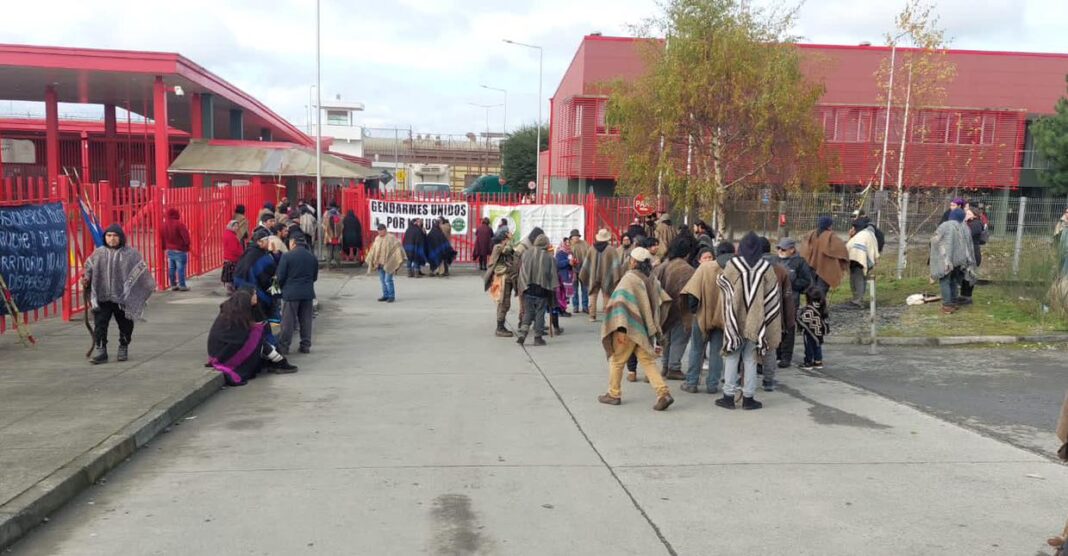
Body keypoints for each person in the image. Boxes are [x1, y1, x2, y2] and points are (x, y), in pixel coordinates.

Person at [597, 247, 675, 411]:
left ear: (633, 262)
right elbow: (662, 299)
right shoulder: (652, 278)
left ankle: (613, 394)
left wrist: (619, 325)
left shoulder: (629, 279)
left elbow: (619, 303)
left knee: (617, 360)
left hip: (627, 327)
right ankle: (663, 393)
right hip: (644, 328)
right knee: (647, 361)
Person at [715, 232, 782, 410]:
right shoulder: (766, 268)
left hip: (735, 319)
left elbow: (724, 286)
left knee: (732, 356)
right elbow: (772, 296)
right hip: (757, 321)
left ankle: (728, 396)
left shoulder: (733, 265)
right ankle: (748, 398)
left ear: (741, 247)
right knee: (751, 359)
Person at [81, 224, 155, 364]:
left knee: (126, 325)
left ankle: (123, 346)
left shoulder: (131, 254)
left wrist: (146, 287)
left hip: (123, 299)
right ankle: (101, 351)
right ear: (105, 237)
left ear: (121, 237)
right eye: (108, 236)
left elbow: (141, 273)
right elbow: (88, 268)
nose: (112, 239)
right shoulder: (98, 253)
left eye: (115, 236)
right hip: (102, 296)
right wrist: (86, 278)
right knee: (100, 324)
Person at [207, 289, 296, 386]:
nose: (256, 296)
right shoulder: (236, 318)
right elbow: (248, 336)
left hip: (219, 352)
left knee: (258, 334)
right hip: (223, 354)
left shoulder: (231, 312)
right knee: (256, 335)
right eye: (254, 294)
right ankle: (279, 361)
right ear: (247, 299)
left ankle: (277, 360)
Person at [681, 247, 724, 394]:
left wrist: (694, 311)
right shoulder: (726, 269)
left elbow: (692, 292)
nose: (708, 260)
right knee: (716, 352)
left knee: (696, 349)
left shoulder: (702, 269)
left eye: (710, 257)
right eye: (705, 257)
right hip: (720, 317)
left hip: (701, 316)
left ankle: (692, 382)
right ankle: (712, 385)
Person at [653, 236, 697, 381]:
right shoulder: (688, 269)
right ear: (688, 252)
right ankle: (674, 367)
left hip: (664, 309)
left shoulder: (663, 265)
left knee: (666, 338)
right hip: (681, 309)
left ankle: (665, 366)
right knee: (680, 339)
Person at [758, 237, 794, 391]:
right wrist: (788, 321)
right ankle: (768, 381)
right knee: (771, 348)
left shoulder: (751, 267)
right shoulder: (780, 269)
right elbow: (788, 297)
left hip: (754, 314)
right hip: (774, 315)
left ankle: (746, 378)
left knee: (749, 349)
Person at [276, 234, 318, 355]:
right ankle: (305, 345)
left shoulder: (287, 256)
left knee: (288, 321)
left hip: (291, 293)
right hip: (307, 293)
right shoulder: (312, 257)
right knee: (306, 320)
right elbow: (314, 277)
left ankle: (284, 346)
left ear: (293, 243)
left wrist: (278, 289)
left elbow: (280, 276)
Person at [929, 208, 977, 314]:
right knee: (954, 280)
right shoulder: (964, 227)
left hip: (947, 260)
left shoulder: (945, 226)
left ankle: (947, 305)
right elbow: (969, 244)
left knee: (945, 280)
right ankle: (954, 301)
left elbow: (936, 240)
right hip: (960, 260)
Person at [775, 237, 813, 369]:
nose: (780, 251)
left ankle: (786, 356)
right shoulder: (775, 260)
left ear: (792, 249)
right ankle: (777, 353)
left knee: (789, 328)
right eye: (779, 248)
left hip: (791, 300)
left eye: (783, 249)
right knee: (775, 326)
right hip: (775, 299)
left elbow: (806, 281)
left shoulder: (800, 262)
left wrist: (790, 284)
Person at [234, 228, 280, 335]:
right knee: (267, 322)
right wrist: (275, 294)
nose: (270, 242)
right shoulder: (263, 258)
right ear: (259, 242)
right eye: (267, 240)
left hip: (243, 294)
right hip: (260, 296)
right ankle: (271, 340)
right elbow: (271, 278)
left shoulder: (247, 253)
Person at [515, 234, 558, 346]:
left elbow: (522, 271)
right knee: (540, 312)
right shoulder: (549, 257)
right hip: (542, 289)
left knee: (528, 312)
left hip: (528, 287)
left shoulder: (526, 253)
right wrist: (552, 291)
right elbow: (553, 276)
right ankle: (538, 338)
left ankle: (523, 333)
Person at [580, 229, 622, 322]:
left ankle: (592, 316)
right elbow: (615, 265)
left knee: (593, 295)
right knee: (607, 294)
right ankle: (607, 316)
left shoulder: (592, 248)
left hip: (593, 276)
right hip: (607, 276)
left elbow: (587, 263)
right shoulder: (611, 249)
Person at [801, 215, 848, 296]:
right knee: (821, 289)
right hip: (826, 267)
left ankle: (812, 303)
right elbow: (842, 250)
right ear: (829, 226)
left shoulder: (811, 234)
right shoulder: (831, 236)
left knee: (812, 288)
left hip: (811, 266)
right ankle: (819, 303)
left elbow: (804, 248)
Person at [485, 229, 519, 336]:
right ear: (504, 238)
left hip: (507, 278)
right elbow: (507, 250)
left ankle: (501, 326)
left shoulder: (503, 246)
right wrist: (510, 240)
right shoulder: (498, 247)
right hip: (502, 279)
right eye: (508, 236)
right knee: (503, 303)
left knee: (505, 303)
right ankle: (500, 328)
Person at [365, 223, 406, 303]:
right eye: (378, 230)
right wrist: (371, 259)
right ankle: (385, 295)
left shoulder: (391, 238)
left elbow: (398, 247)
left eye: (381, 230)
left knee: (388, 280)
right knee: (382, 280)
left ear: (385, 230)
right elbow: (374, 249)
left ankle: (391, 296)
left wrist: (398, 257)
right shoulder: (377, 238)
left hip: (389, 263)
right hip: (379, 263)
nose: (380, 232)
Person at [845, 217, 880, 307]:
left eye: (854, 227)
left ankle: (858, 300)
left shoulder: (863, 234)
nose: (852, 229)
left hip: (857, 259)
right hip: (861, 259)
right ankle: (857, 299)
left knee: (857, 279)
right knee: (858, 279)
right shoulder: (869, 234)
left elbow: (851, 245)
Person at [797, 286, 830, 371]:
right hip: (819, 331)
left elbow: (802, 319)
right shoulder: (822, 306)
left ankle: (808, 362)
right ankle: (818, 361)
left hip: (809, 331)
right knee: (817, 345)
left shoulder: (809, 309)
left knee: (809, 347)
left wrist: (799, 312)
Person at [159, 207, 191, 292]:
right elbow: (185, 236)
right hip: (180, 249)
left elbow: (162, 238)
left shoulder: (164, 225)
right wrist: (187, 244)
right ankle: (182, 285)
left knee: (172, 268)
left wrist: (164, 247)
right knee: (181, 268)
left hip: (169, 250)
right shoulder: (179, 224)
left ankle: (173, 285)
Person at [958, 207, 985, 305]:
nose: (966, 215)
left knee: (970, 274)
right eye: (966, 213)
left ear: (974, 215)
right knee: (964, 274)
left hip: (973, 252)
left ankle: (968, 297)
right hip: (967, 252)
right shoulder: (968, 223)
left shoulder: (976, 224)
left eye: (969, 214)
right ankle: (963, 295)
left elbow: (967, 234)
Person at [553, 237, 575, 330]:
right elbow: (558, 264)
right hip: (562, 276)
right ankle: (562, 310)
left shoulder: (570, 252)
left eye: (569, 243)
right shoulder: (560, 253)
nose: (568, 244)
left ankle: (564, 310)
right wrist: (568, 262)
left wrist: (574, 262)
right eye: (566, 243)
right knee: (562, 295)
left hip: (568, 275)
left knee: (566, 296)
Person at [568, 229, 590, 314]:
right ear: (571, 237)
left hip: (583, 269)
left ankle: (585, 306)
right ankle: (575, 306)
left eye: (577, 236)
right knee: (574, 289)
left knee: (585, 289)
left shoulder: (584, 244)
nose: (576, 238)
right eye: (574, 236)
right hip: (573, 270)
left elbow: (589, 254)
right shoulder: (568, 245)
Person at [222, 216, 244, 292]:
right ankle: (231, 288)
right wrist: (241, 253)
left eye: (237, 226)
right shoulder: (231, 236)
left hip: (229, 258)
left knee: (229, 275)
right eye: (234, 226)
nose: (236, 228)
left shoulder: (228, 233)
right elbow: (234, 249)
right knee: (232, 275)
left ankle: (230, 287)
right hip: (233, 258)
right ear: (230, 226)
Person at [322, 203, 344, 270]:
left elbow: (324, 228)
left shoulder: (327, 220)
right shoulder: (339, 220)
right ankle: (338, 266)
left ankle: (328, 266)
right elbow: (342, 228)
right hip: (337, 238)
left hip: (329, 238)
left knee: (329, 252)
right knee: (336, 253)